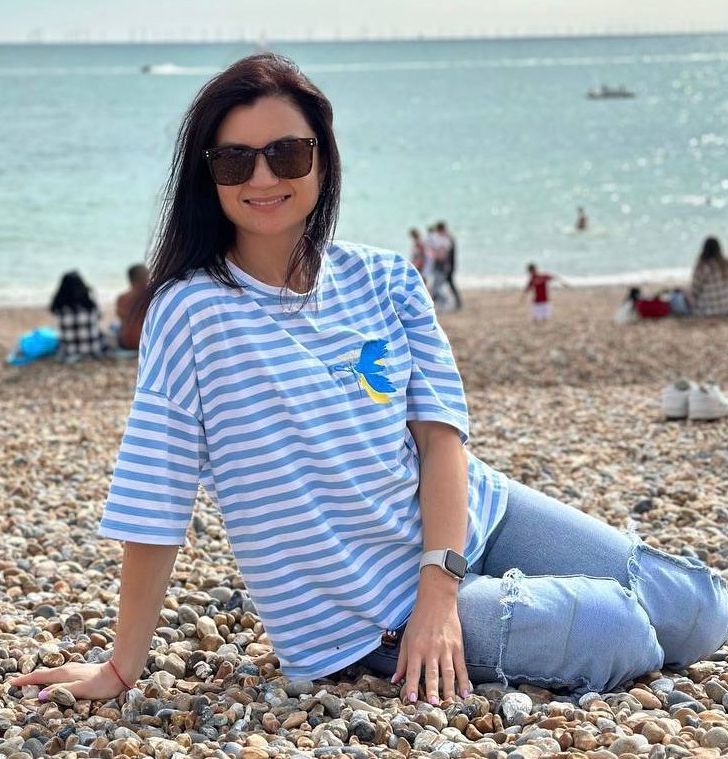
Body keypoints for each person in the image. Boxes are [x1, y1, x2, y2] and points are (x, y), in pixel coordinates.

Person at [13, 53, 728, 706]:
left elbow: (441, 438)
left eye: (286, 153)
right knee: (619, 631)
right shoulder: (190, 312)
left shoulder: (385, 278)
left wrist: (441, 589)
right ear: (209, 176)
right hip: (368, 613)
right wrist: (121, 667)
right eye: (234, 161)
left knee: (700, 611)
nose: (262, 178)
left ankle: (507, 602)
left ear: (322, 159)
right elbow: (157, 497)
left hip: (472, 519)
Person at [49, 271, 108, 361]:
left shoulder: (59, 307)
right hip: (93, 349)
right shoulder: (90, 305)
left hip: (69, 351)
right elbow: (99, 317)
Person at [115, 264, 150, 351]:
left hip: (125, 342)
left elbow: (122, 319)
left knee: (114, 326)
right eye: (148, 275)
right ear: (144, 278)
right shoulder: (150, 296)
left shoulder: (122, 298)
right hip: (144, 342)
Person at [690, 236, 728, 317]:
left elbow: (695, 289)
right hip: (725, 307)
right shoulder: (725, 264)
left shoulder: (702, 266)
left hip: (707, 309)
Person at [435, 220, 462, 311]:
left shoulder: (447, 238)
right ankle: (457, 302)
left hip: (448, 266)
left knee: (442, 284)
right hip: (450, 265)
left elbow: (447, 254)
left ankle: (452, 302)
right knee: (448, 283)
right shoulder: (449, 237)